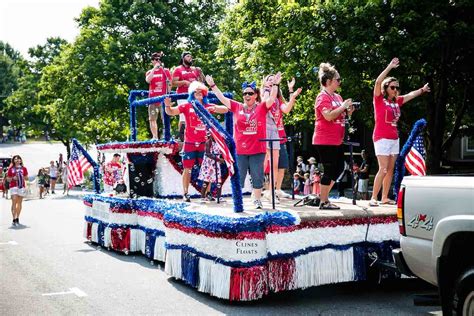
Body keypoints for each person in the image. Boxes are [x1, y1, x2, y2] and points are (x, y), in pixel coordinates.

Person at [206, 73, 282, 209]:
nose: (247, 96)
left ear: (255, 95)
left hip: (258, 150)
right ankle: (238, 200)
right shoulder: (237, 107)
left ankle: (257, 200)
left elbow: (271, 98)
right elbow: (222, 98)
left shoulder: (262, 107)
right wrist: (212, 85)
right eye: (245, 93)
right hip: (240, 150)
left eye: (250, 93)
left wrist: (275, 85)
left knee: (257, 176)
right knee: (239, 177)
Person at [370, 58, 430, 206]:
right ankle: (373, 198)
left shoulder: (396, 102)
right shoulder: (379, 100)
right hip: (381, 138)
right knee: (383, 168)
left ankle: (384, 197)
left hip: (394, 139)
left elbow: (410, 95)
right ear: (386, 88)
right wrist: (389, 67)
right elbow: (378, 82)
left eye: (397, 88)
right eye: (392, 87)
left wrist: (422, 90)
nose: (396, 90)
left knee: (390, 170)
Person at [164, 81, 228, 202]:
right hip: (190, 144)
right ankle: (185, 193)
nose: (198, 95)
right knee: (187, 169)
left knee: (208, 169)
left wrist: (214, 107)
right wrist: (167, 106)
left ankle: (208, 193)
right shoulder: (187, 105)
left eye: (201, 93)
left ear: (204, 94)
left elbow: (225, 109)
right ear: (192, 94)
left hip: (205, 144)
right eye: (196, 92)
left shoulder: (207, 106)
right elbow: (171, 112)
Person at [313, 62, 355, 210]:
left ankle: (322, 197)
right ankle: (324, 201)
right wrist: (343, 107)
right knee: (330, 169)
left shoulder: (337, 96)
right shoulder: (322, 96)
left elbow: (340, 115)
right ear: (329, 81)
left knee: (339, 169)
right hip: (325, 140)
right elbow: (328, 116)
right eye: (338, 79)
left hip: (337, 140)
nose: (340, 82)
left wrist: (348, 111)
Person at [261, 75, 303, 202]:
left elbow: (287, 109)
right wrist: (271, 87)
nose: (272, 81)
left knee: (281, 165)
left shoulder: (278, 100)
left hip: (280, 135)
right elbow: (266, 102)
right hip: (267, 134)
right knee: (267, 165)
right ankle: (265, 190)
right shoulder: (263, 95)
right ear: (264, 82)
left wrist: (292, 93)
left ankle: (277, 190)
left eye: (274, 80)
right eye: (269, 79)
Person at [172, 52, 205, 141]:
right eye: (188, 56)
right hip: (182, 96)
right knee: (183, 116)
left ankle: (195, 136)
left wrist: (200, 73)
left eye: (191, 56)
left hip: (194, 97)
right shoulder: (178, 69)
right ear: (183, 58)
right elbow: (173, 83)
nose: (190, 57)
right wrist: (184, 82)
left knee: (195, 116)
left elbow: (201, 83)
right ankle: (182, 138)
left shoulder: (194, 69)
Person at [145, 51, 172, 139]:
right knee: (152, 118)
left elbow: (169, 84)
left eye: (159, 59)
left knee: (165, 118)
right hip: (152, 98)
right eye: (156, 59)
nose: (158, 61)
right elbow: (148, 80)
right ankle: (155, 136)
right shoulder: (149, 72)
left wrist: (168, 96)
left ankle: (167, 136)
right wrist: (154, 69)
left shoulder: (166, 71)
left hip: (163, 99)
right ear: (152, 61)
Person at [198, 131, 224, 202]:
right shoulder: (208, 142)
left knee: (219, 180)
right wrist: (218, 159)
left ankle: (219, 196)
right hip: (208, 164)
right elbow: (208, 153)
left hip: (216, 163)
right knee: (206, 180)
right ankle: (202, 197)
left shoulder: (219, 142)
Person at [7, 155, 28, 226]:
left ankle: (17, 218)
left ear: (21, 160)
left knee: (19, 203)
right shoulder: (11, 169)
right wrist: (13, 178)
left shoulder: (24, 168)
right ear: (13, 161)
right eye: (15, 159)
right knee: (14, 201)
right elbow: (8, 179)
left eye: (19, 159)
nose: (17, 160)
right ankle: (13, 218)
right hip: (13, 186)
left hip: (21, 186)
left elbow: (27, 178)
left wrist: (22, 176)